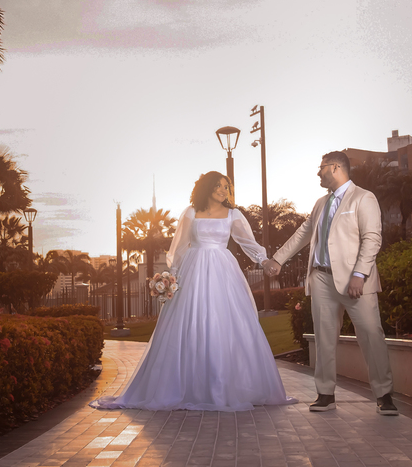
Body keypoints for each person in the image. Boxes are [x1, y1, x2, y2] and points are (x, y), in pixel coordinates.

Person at [91, 171, 296, 411]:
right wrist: (171, 278)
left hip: (223, 270)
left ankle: (227, 385)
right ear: (206, 187)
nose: (223, 190)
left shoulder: (234, 214)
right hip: (193, 270)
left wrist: (264, 261)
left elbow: (247, 242)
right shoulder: (191, 212)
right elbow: (178, 247)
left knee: (225, 322)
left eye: (227, 186)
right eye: (218, 185)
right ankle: (187, 386)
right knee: (189, 323)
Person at [266, 151, 397, 415]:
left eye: (321, 167)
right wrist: (278, 259)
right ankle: (325, 393)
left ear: (335, 167)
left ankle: (384, 395)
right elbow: (302, 233)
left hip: (355, 281)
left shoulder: (363, 198)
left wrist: (359, 274)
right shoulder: (319, 204)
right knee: (324, 338)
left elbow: (372, 238)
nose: (318, 172)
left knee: (371, 335)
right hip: (322, 278)